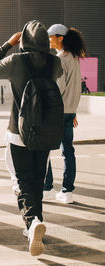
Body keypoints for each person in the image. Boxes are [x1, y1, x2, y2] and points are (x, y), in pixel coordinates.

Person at [0, 20, 62, 256]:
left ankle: (32, 223)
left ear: (24, 41)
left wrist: (8, 44)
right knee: (38, 179)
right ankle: (35, 223)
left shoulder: (17, 60)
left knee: (21, 181)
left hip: (19, 131)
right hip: (45, 131)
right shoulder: (54, 62)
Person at [43, 24, 88, 204]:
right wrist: (73, 110)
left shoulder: (61, 59)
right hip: (69, 112)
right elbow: (75, 87)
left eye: (51, 37)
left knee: (44, 149)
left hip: (57, 112)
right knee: (68, 151)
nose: (49, 40)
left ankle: (46, 188)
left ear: (60, 37)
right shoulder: (74, 57)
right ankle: (67, 191)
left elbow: (58, 88)